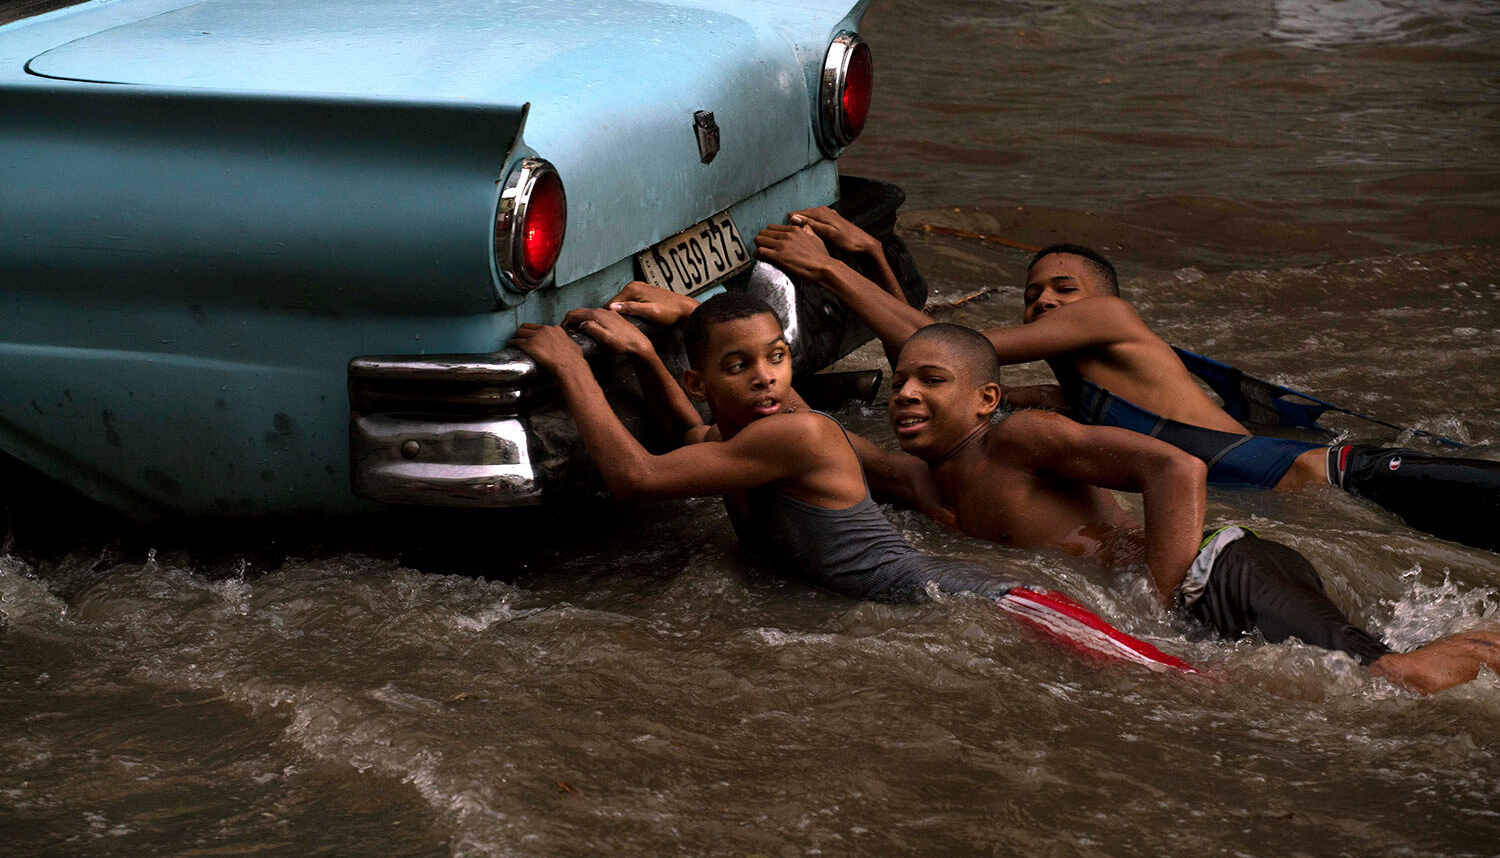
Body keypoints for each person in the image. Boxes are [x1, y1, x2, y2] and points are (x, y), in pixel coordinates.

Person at [510, 292, 1194, 673]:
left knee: (1190, 685)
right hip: (964, 596)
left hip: (999, 601)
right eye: (739, 365)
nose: (765, 376)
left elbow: (634, 476)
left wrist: (571, 368)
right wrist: (638, 354)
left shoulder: (796, 436)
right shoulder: (733, 442)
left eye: (777, 359)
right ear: (702, 381)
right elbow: (692, 436)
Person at [753, 211, 1500, 550]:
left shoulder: (1106, 316)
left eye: (1061, 288)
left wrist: (829, 269)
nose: (1046, 300)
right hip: (1298, 494)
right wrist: (874, 252)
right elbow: (933, 366)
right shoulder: (1071, 398)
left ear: (1099, 294)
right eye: (1034, 293)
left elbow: (952, 346)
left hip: (1343, 480)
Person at [856, 321, 1500, 694]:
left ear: (986, 398)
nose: (906, 394)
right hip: (1223, 579)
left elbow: (1174, 465)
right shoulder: (928, 482)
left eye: (931, 381)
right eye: (899, 383)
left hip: (1216, 573)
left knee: (1396, 679)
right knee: (1375, 668)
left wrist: (1165, 603)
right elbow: (836, 450)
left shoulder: (1016, 436)